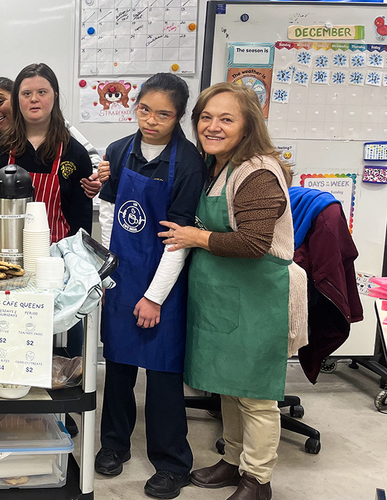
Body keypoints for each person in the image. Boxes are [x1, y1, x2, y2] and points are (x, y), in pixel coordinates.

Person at [158, 82, 307, 500]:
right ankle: (234, 459)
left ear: (248, 126)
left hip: (258, 297)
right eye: (206, 117)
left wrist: (195, 237)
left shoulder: (256, 171)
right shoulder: (217, 165)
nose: (213, 126)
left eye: (226, 118)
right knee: (226, 384)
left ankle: (257, 479)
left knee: (255, 395)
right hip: (224, 295)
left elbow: (254, 243)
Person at [94, 73, 206, 499]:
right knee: (118, 370)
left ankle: (173, 463)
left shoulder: (190, 163)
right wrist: (106, 270)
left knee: (162, 379)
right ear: (135, 105)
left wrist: (153, 297)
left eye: (164, 114)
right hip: (122, 277)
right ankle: (113, 446)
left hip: (164, 283)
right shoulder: (119, 150)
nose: (151, 121)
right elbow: (107, 211)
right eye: (145, 109)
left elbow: (178, 240)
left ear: (178, 117)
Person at [0, 63, 93, 254]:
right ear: (17, 100)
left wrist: (79, 261)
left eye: (42, 92)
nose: (34, 99)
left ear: (54, 95)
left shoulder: (74, 153)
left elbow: (81, 217)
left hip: (54, 259)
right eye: (26, 94)